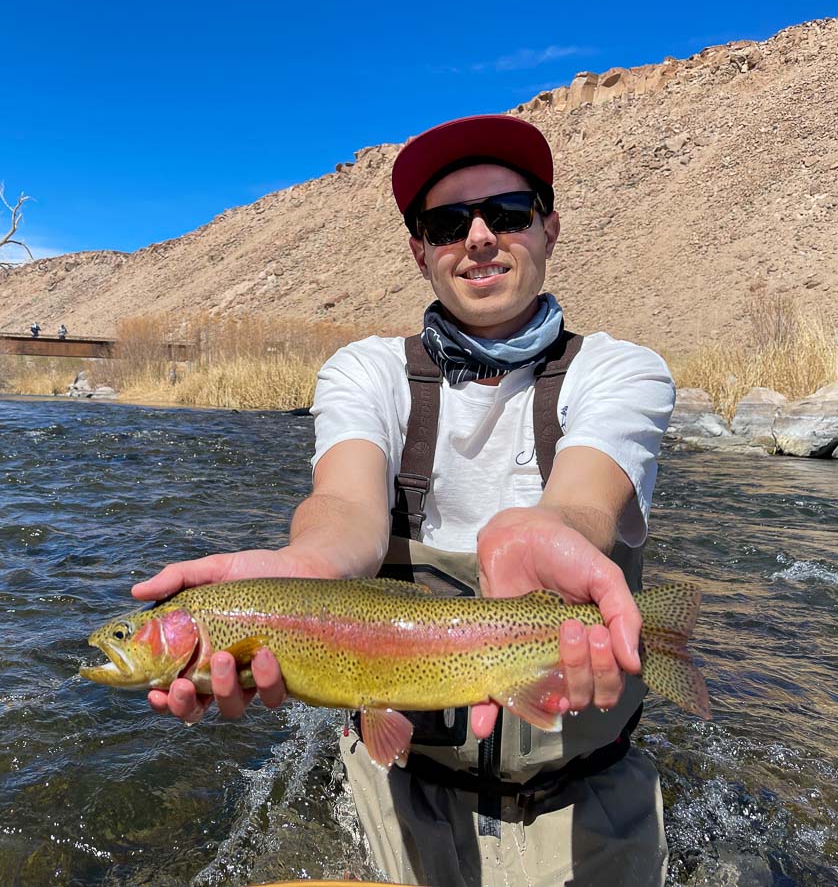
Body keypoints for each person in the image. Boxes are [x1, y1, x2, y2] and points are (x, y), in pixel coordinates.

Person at [132, 113, 675, 886]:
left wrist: (550, 534)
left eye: (508, 213)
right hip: (406, 785)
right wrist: (302, 568)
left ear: (551, 228)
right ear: (420, 249)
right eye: (448, 223)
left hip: (585, 789)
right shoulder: (368, 371)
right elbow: (345, 509)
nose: (480, 236)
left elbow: (585, 505)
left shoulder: (622, 371)